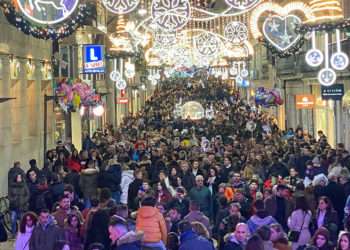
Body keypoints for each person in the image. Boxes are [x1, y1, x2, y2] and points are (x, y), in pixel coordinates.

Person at [9, 173, 30, 237]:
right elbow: (9, 196)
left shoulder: (24, 185)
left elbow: (27, 194)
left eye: (20, 177)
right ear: (16, 178)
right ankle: (13, 233)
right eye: (18, 177)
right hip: (14, 207)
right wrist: (14, 199)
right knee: (13, 220)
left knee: (22, 220)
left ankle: (22, 232)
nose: (19, 179)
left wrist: (24, 201)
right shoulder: (12, 186)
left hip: (22, 206)